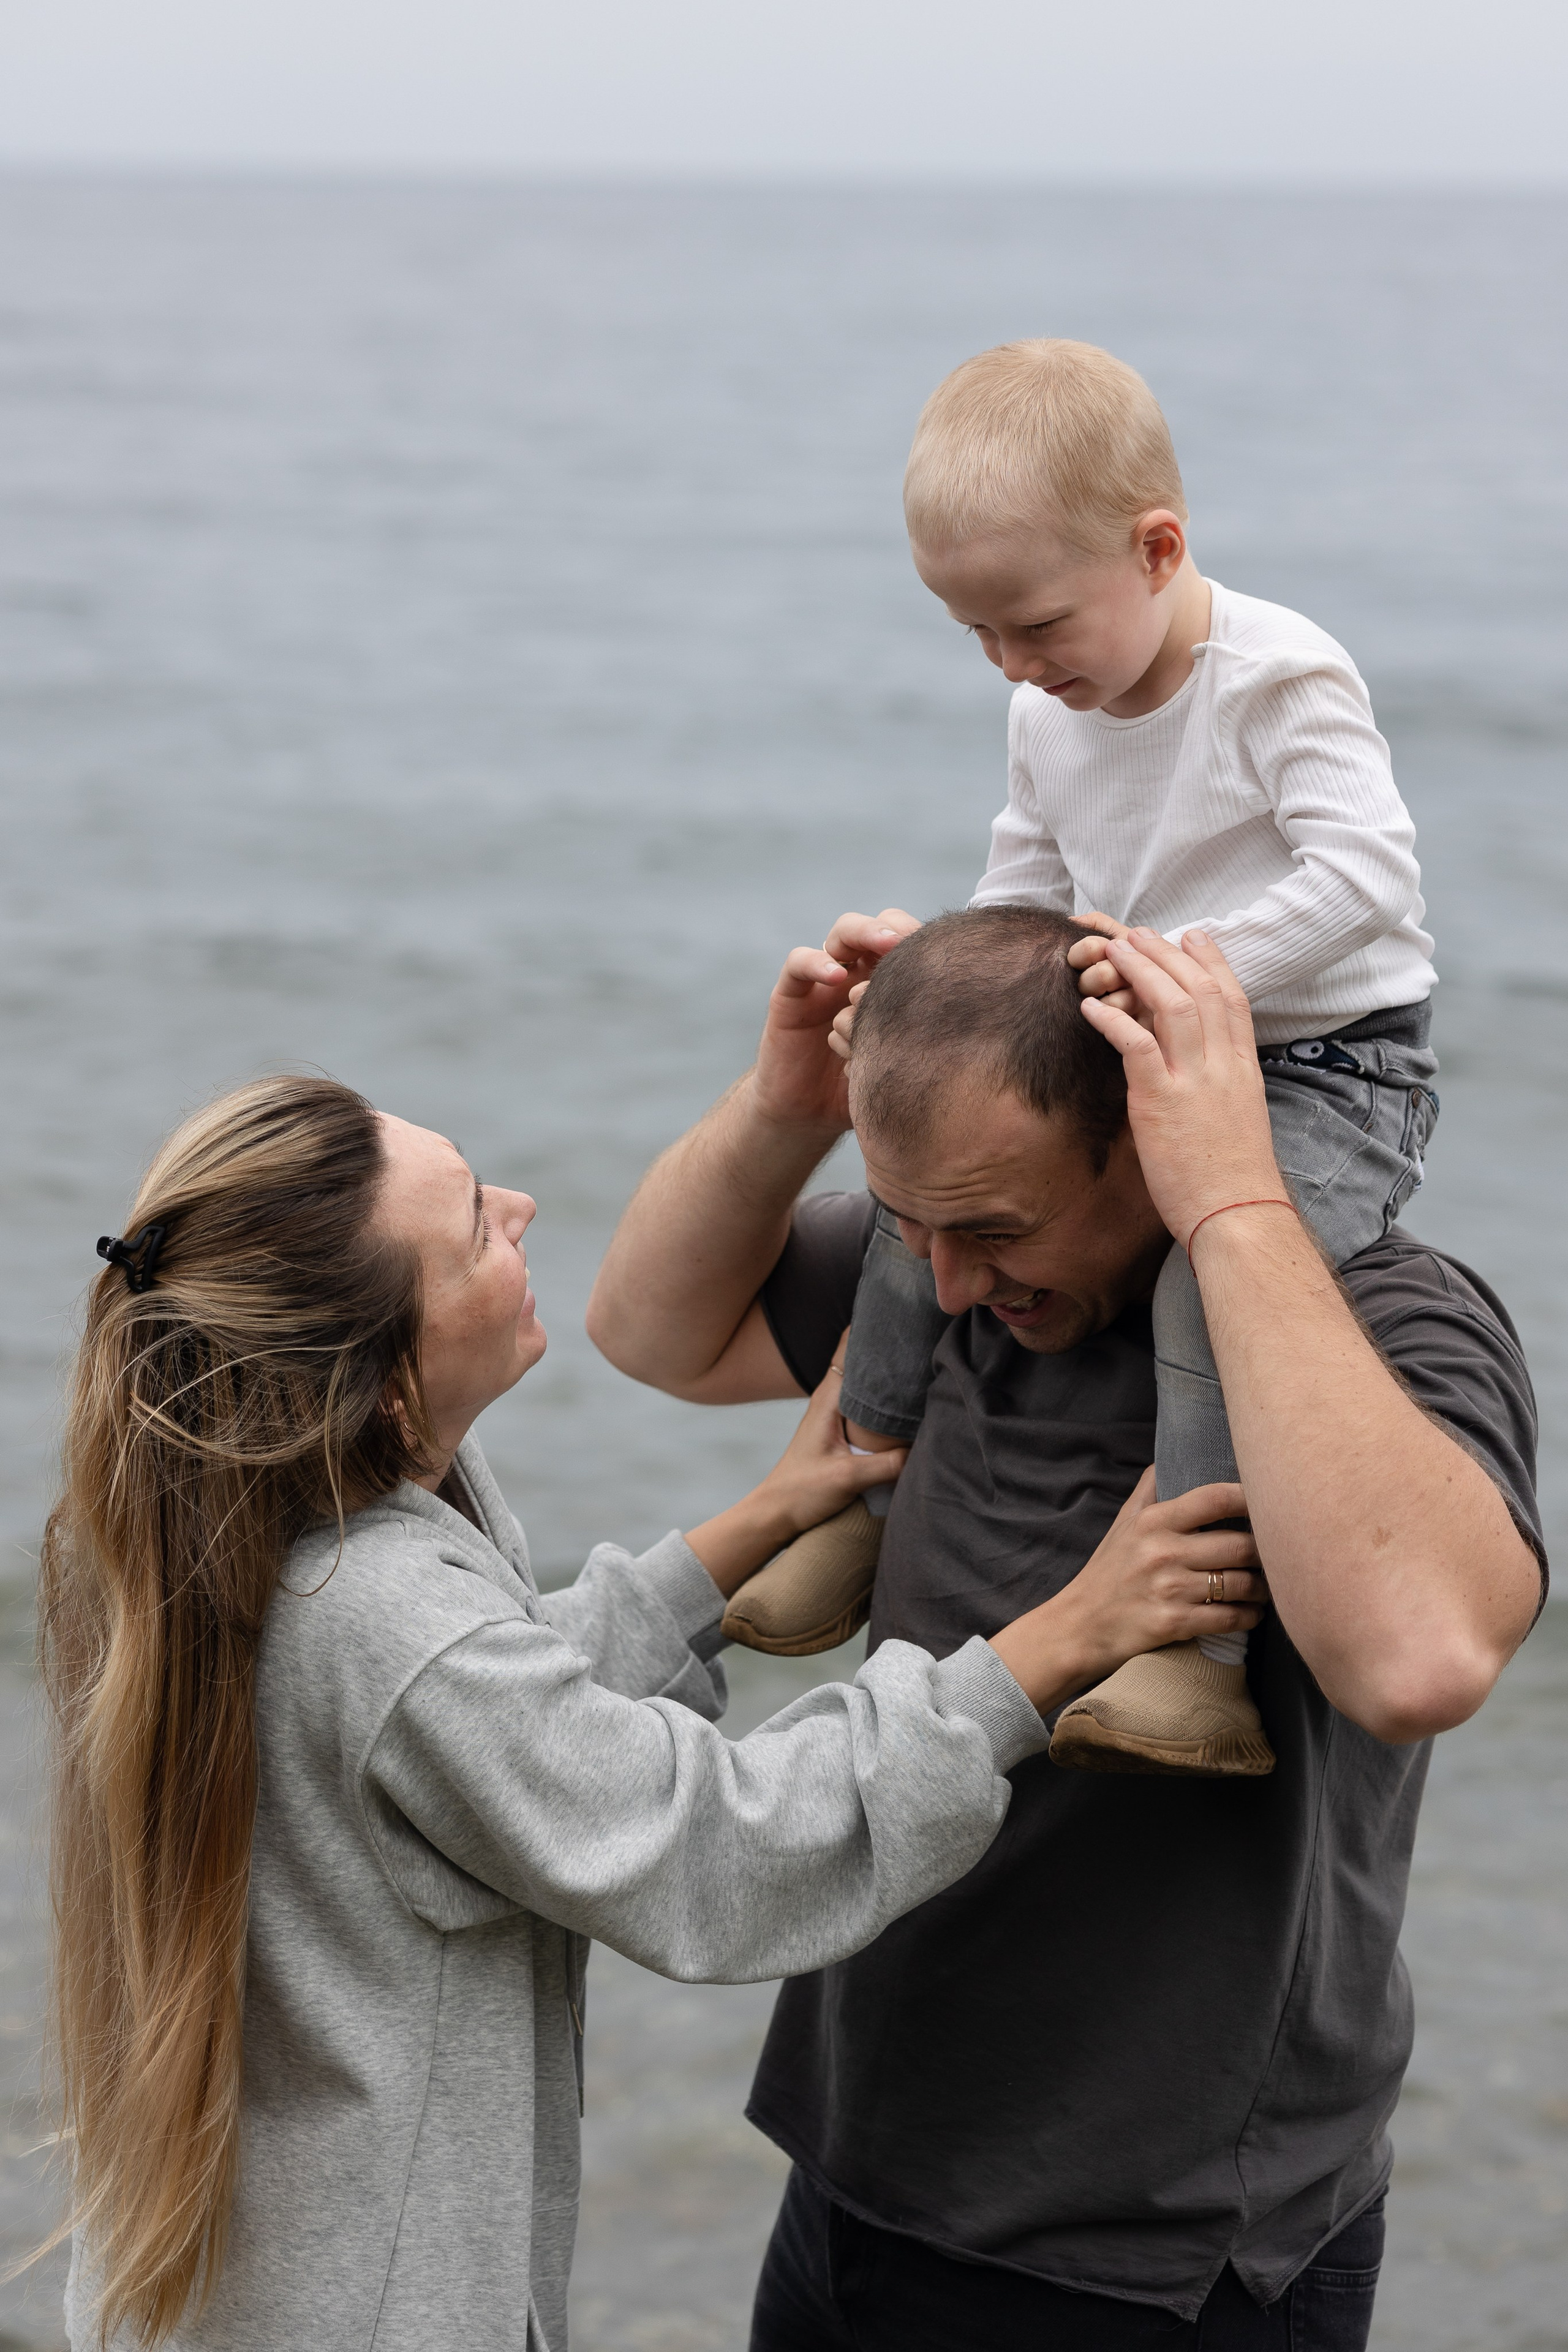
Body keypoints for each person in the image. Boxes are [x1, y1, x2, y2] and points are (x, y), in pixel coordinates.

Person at [35, 1074, 1256, 2352]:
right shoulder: (389, 1619)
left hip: (226, 2292)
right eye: (473, 1229)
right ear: (389, 1385)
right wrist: (1061, 1638)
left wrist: (752, 1530)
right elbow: (719, 1847)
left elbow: (484, 1723)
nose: (521, 1207)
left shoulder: (203, 1543)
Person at [585, 910, 1544, 2351]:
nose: (951, 1282)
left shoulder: (1379, 1320)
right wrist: (785, 1107)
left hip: (1156, 2253)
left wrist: (1233, 1201)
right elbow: (649, 1331)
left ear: (1152, 1136)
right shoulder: (946, 1261)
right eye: (913, 1226)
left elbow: (1419, 1663)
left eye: (992, 1233)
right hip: (858, 2173)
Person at [725, 339, 1439, 1781]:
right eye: (974, 634)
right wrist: (929, 995)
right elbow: (1025, 884)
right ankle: (858, 1497)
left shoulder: (1278, 677)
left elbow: (1365, 878)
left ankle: (1197, 1655)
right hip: (1134, 1020)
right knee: (916, 1208)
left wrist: (1191, 973)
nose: (1011, 664)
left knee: (1198, 1287)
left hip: (1324, 1064)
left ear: (1155, 549)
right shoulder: (1045, 707)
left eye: (1035, 624)